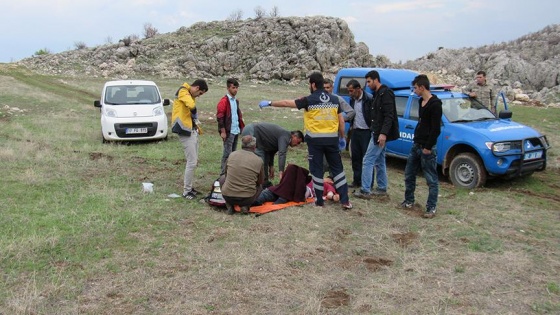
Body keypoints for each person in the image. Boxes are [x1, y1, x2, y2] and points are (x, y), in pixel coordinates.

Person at [258, 72, 352, 210]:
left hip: (315, 143)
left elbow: (286, 103)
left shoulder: (309, 100)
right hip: (332, 141)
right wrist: (342, 137)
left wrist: (270, 103)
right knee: (338, 170)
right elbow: (341, 120)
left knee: (317, 172)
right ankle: (345, 201)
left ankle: (319, 201)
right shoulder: (334, 99)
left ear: (313, 84)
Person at [401, 74, 443, 218]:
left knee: (431, 179)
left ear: (422, 87)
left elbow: (436, 129)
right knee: (409, 174)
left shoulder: (435, 104)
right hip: (416, 144)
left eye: (416, 88)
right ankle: (409, 201)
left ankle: (431, 207)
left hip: (427, 147)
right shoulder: (420, 102)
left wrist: (428, 147)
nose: (414, 91)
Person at [354, 70, 400, 199]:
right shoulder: (377, 94)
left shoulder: (386, 93)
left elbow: (389, 115)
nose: (367, 85)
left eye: (369, 81)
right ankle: (381, 187)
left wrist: (383, 134)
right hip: (376, 132)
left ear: (376, 80)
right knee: (379, 160)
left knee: (368, 160)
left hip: (380, 134)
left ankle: (365, 190)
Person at [171, 79, 208, 200]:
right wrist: (195, 113)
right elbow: (191, 106)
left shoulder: (188, 93)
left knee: (194, 161)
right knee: (191, 162)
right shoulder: (183, 91)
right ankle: (186, 191)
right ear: (197, 88)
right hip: (184, 131)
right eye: (200, 93)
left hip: (191, 130)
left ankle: (190, 188)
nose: (199, 96)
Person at [220, 135, 264, 215]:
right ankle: (246, 206)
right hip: (247, 198)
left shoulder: (232, 155)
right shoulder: (259, 160)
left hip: (228, 196)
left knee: (222, 178)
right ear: (254, 146)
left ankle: (229, 205)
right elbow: (260, 181)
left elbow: (226, 174)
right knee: (260, 186)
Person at [346, 79, 374, 188]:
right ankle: (356, 181)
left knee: (367, 159)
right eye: (349, 91)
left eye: (352, 91)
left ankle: (367, 184)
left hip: (366, 132)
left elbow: (373, 116)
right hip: (355, 131)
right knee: (355, 158)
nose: (350, 93)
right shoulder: (352, 100)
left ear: (359, 89)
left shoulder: (369, 99)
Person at [216, 78, 245, 175]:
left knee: (233, 153)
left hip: (235, 130)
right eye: (233, 88)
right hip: (229, 131)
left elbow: (237, 116)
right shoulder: (224, 101)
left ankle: (230, 173)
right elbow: (220, 117)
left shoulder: (235, 101)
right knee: (227, 154)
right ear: (228, 88)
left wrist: (241, 128)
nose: (235, 90)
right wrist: (223, 131)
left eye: (237, 88)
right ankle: (223, 174)